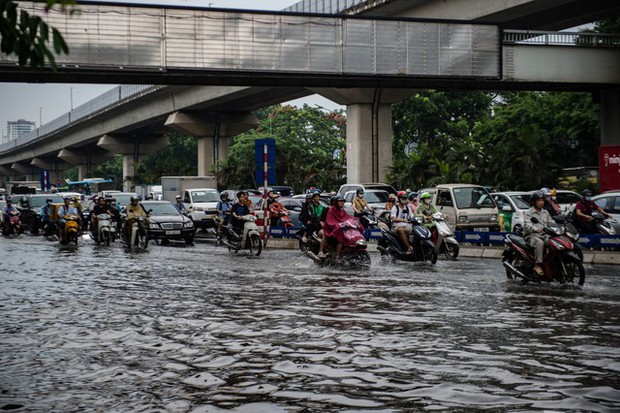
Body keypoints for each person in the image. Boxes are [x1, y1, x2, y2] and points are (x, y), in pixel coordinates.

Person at [524, 191, 553, 277]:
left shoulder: (545, 212)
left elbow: (551, 222)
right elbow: (527, 224)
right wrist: (536, 229)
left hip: (544, 235)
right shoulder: (528, 213)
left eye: (542, 200)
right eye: (538, 200)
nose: (541, 202)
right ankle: (537, 265)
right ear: (533, 202)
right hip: (531, 236)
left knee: (553, 242)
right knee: (540, 242)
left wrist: (558, 227)